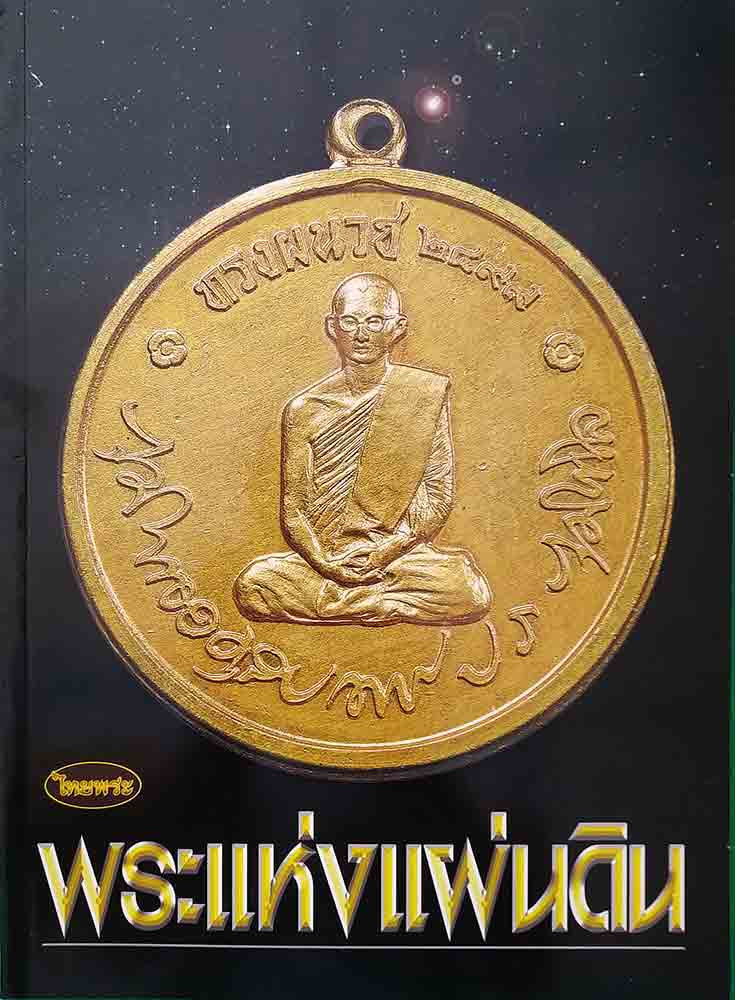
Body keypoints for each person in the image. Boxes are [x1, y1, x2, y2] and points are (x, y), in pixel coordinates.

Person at [233, 272, 491, 626]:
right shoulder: (304, 410)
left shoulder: (422, 393)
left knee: (470, 590)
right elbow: (293, 512)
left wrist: (386, 552)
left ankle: (344, 603)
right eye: (350, 321)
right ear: (333, 327)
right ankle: (378, 604)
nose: (362, 333)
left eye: (375, 321)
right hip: (324, 559)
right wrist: (326, 564)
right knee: (253, 586)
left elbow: (438, 496)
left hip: (398, 555)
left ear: (397, 328)